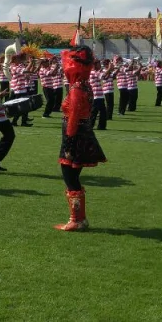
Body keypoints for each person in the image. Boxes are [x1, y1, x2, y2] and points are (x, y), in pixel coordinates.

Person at [55, 45, 107, 232]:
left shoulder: (77, 88)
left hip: (75, 136)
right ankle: (79, 219)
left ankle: (76, 220)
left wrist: (68, 143)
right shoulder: (85, 85)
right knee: (73, 178)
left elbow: (74, 117)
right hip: (83, 134)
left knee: (70, 178)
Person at [8, 54, 37, 127]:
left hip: (22, 88)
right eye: (18, 59)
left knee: (25, 106)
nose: (20, 60)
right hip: (18, 89)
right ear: (14, 60)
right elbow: (25, 71)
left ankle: (19, 122)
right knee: (22, 107)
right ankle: (18, 122)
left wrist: (32, 63)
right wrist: (30, 63)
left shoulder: (20, 66)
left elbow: (28, 72)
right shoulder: (13, 67)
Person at [88, 59, 108, 130]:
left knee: (102, 111)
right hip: (96, 94)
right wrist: (110, 69)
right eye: (99, 64)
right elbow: (102, 76)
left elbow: (105, 77)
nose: (100, 65)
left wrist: (109, 70)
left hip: (99, 94)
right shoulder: (93, 72)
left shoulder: (95, 72)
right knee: (94, 112)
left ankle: (101, 126)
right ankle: (90, 125)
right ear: (95, 65)